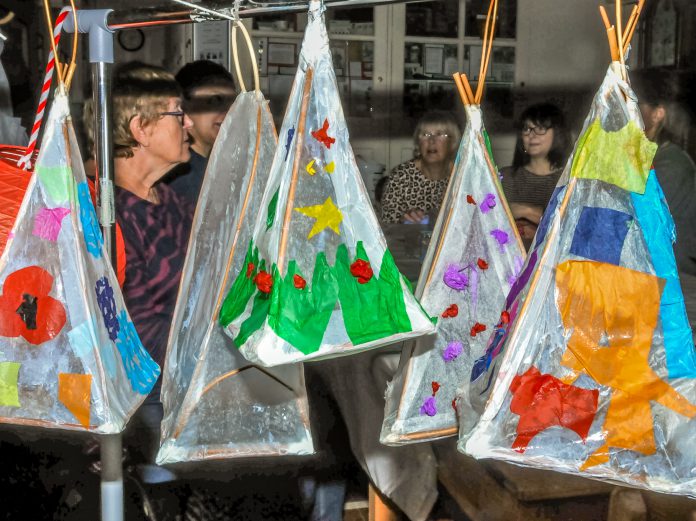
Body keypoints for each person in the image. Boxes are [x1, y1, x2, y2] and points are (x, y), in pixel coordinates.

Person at [85, 63, 194, 511]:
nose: (189, 124)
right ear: (140, 129)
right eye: (178, 113)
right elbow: (138, 333)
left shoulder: (172, 201)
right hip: (147, 393)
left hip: (186, 377)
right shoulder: (107, 217)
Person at [500, 102, 572, 249]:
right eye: (526, 129)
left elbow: (574, 230)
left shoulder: (569, 181)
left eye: (540, 128)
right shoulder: (504, 177)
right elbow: (485, 222)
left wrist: (525, 211)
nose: (531, 135)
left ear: (558, 133)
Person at [166, 60, 236, 206]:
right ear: (183, 106)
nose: (228, 111)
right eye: (215, 100)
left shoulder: (211, 165)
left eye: (233, 103)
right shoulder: (183, 176)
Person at [380, 111, 461, 224]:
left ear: (452, 142)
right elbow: (386, 223)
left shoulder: (462, 175)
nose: (431, 141)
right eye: (425, 135)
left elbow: (480, 212)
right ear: (418, 143)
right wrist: (403, 221)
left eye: (439, 134)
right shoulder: (400, 177)